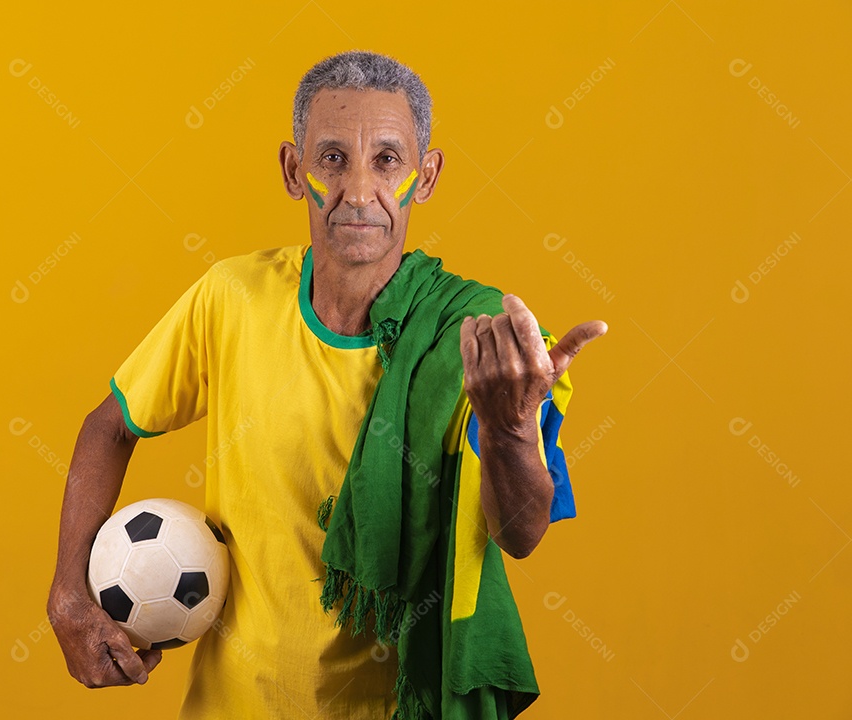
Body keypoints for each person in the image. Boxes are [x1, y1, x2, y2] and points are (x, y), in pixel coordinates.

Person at [47, 50, 607, 719]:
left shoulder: (478, 342)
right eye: (333, 158)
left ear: (425, 177)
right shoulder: (232, 299)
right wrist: (68, 595)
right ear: (294, 169)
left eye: (388, 160)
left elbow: (521, 533)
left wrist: (512, 427)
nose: (360, 191)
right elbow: (108, 425)